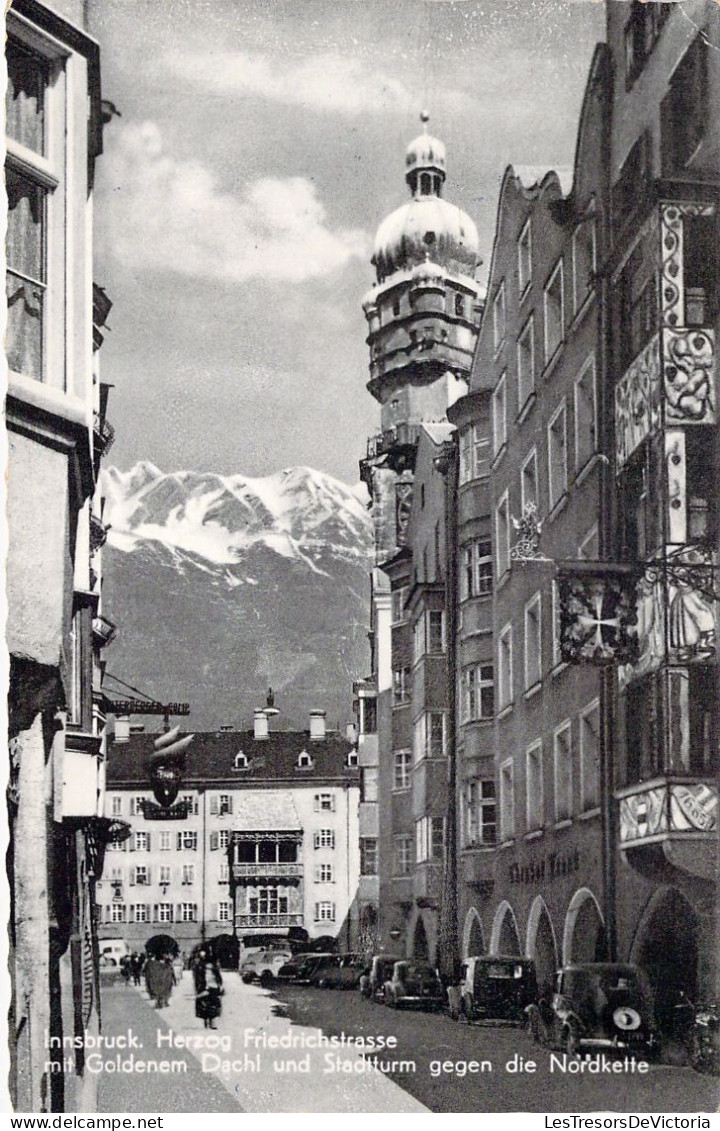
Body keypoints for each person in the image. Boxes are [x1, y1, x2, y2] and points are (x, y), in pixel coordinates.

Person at [194, 952, 224, 1029]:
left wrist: (220, 987)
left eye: (210, 968)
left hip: (213, 989)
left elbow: (219, 981)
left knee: (213, 1007)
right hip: (205, 989)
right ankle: (206, 1021)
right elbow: (198, 981)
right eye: (207, 968)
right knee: (204, 1006)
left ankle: (212, 1023)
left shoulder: (215, 974)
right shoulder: (201, 972)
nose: (208, 970)